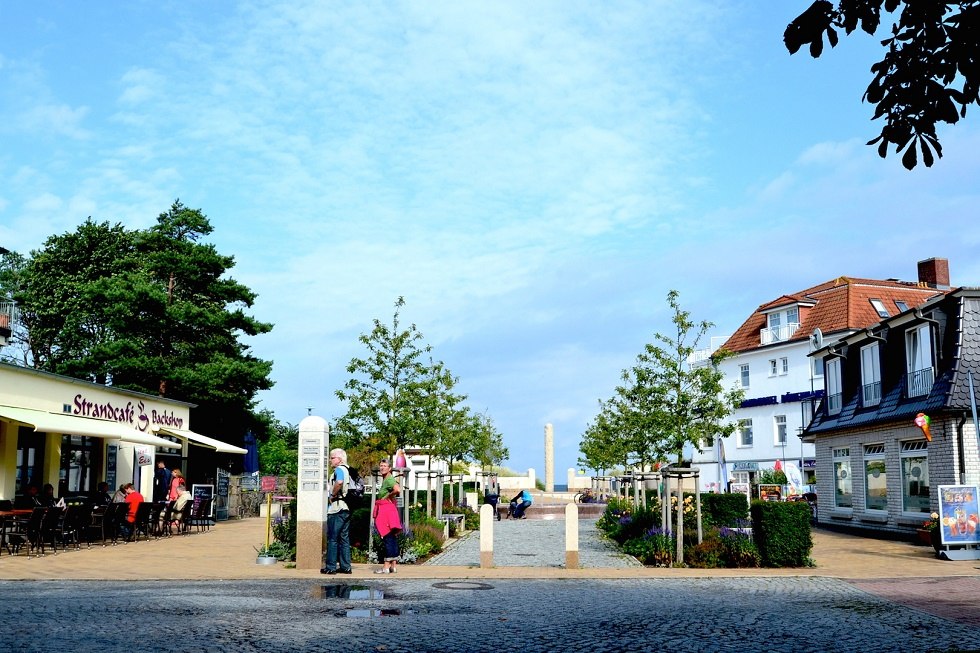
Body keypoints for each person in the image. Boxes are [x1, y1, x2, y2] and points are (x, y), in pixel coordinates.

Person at [321, 448, 353, 575]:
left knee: (333, 538)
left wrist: (332, 495)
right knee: (344, 538)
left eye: (332, 457)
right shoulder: (349, 470)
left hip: (337, 508)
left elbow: (339, 482)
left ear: (339, 459)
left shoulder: (339, 469)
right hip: (347, 507)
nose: (330, 460)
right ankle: (346, 567)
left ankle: (331, 567)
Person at [373, 457, 402, 574]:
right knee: (392, 537)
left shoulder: (389, 480)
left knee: (387, 537)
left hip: (386, 511)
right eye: (381, 466)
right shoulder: (386, 479)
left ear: (390, 468)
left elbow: (397, 489)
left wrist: (387, 496)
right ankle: (393, 565)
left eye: (384, 466)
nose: (382, 468)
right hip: (389, 510)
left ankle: (386, 566)